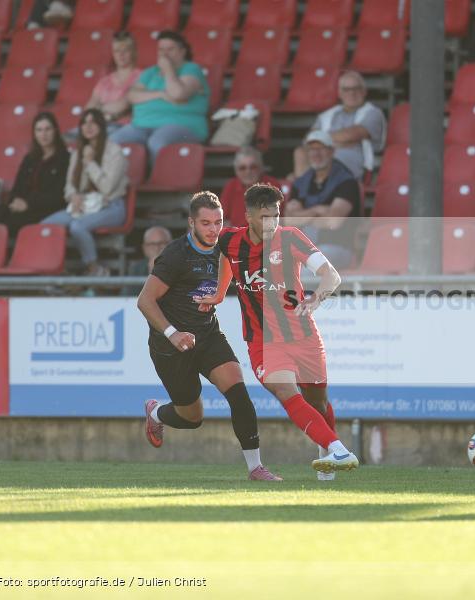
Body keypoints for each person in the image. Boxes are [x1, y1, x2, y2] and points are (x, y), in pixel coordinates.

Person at [198, 183, 359, 479]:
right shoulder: (231, 240)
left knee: (318, 402)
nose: (272, 223)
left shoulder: (291, 239)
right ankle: (339, 449)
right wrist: (220, 294)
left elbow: (331, 276)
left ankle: (328, 459)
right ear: (248, 216)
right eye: (265, 217)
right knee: (286, 391)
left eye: (276, 215)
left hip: (303, 334)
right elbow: (225, 257)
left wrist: (316, 298)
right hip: (263, 340)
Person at [137, 191, 281, 482]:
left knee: (239, 394)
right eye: (206, 223)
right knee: (192, 418)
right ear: (191, 223)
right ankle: (155, 414)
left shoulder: (226, 244)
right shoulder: (176, 255)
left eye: (218, 222)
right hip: (171, 345)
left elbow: (253, 243)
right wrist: (172, 334)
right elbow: (144, 301)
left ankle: (255, 468)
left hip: (208, 334)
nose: (213, 229)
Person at [41, 109, 128, 277]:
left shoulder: (115, 152)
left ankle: (94, 268)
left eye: (93, 122)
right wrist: (73, 196)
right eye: (84, 123)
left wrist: (89, 162)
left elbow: (108, 188)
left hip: (111, 206)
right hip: (83, 206)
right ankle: (57, 270)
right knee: (46, 226)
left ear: (101, 126)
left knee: (77, 227)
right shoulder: (77, 152)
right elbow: (69, 185)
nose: (88, 127)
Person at [111, 30, 209, 166]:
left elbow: (178, 94)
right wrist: (161, 94)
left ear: (182, 51)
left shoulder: (191, 69)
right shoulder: (150, 72)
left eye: (170, 49)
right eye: (161, 49)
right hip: (142, 125)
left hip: (182, 125)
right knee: (112, 141)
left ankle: (156, 184)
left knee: (157, 141)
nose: (164, 54)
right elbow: (132, 96)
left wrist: (168, 69)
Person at [0, 112, 70, 236]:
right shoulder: (30, 159)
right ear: (34, 133)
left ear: (55, 131)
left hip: (46, 209)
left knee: (9, 221)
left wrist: (28, 204)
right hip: (23, 207)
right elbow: (17, 187)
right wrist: (15, 201)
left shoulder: (65, 158)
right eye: (39, 130)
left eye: (47, 129)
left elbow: (58, 196)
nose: (43, 134)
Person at [285, 131, 360, 270]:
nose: (315, 154)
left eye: (321, 148)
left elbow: (333, 222)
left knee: (305, 268)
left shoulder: (346, 181)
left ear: (332, 151)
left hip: (337, 247)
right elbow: (289, 221)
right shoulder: (301, 182)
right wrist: (318, 211)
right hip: (305, 246)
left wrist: (303, 214)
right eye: (312, 149)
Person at [292, 70, 386, 180]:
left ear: (364, 91)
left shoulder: (373, 113)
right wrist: (337, 143)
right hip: (324, 156)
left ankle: (304, 184)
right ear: (339, 93)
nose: (351, 93)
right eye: (346, 89)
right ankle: (303, 187)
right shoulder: (328, 114)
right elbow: (309, 140)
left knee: (310, 168)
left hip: (352, 160)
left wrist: (323, 141)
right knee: (300, 152)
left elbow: (352, 134)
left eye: (356, 88)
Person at [86, 32, 142, 134]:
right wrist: (105, 114)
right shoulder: (104, 81)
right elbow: (89, 109)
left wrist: (99, 110)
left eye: (125, 50)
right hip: (99, 126)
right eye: (117, 51)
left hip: (125, 127)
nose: (121, 55)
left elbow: (122, 106)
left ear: (133, 52)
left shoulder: (142, 76)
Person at [221, 146, 281, 228]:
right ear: (236, 171)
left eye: (253, 167)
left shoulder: (272, 185)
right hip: (237, 236)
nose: (248, 172)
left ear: (261, 168)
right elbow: (222, 218)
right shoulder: (231, 186)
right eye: (242, 168)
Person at [121, 225, 172, 296]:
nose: (157, 248)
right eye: (152, 244)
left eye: (161, 243)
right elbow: (126, 297)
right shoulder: (136, 268)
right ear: (144, 248)